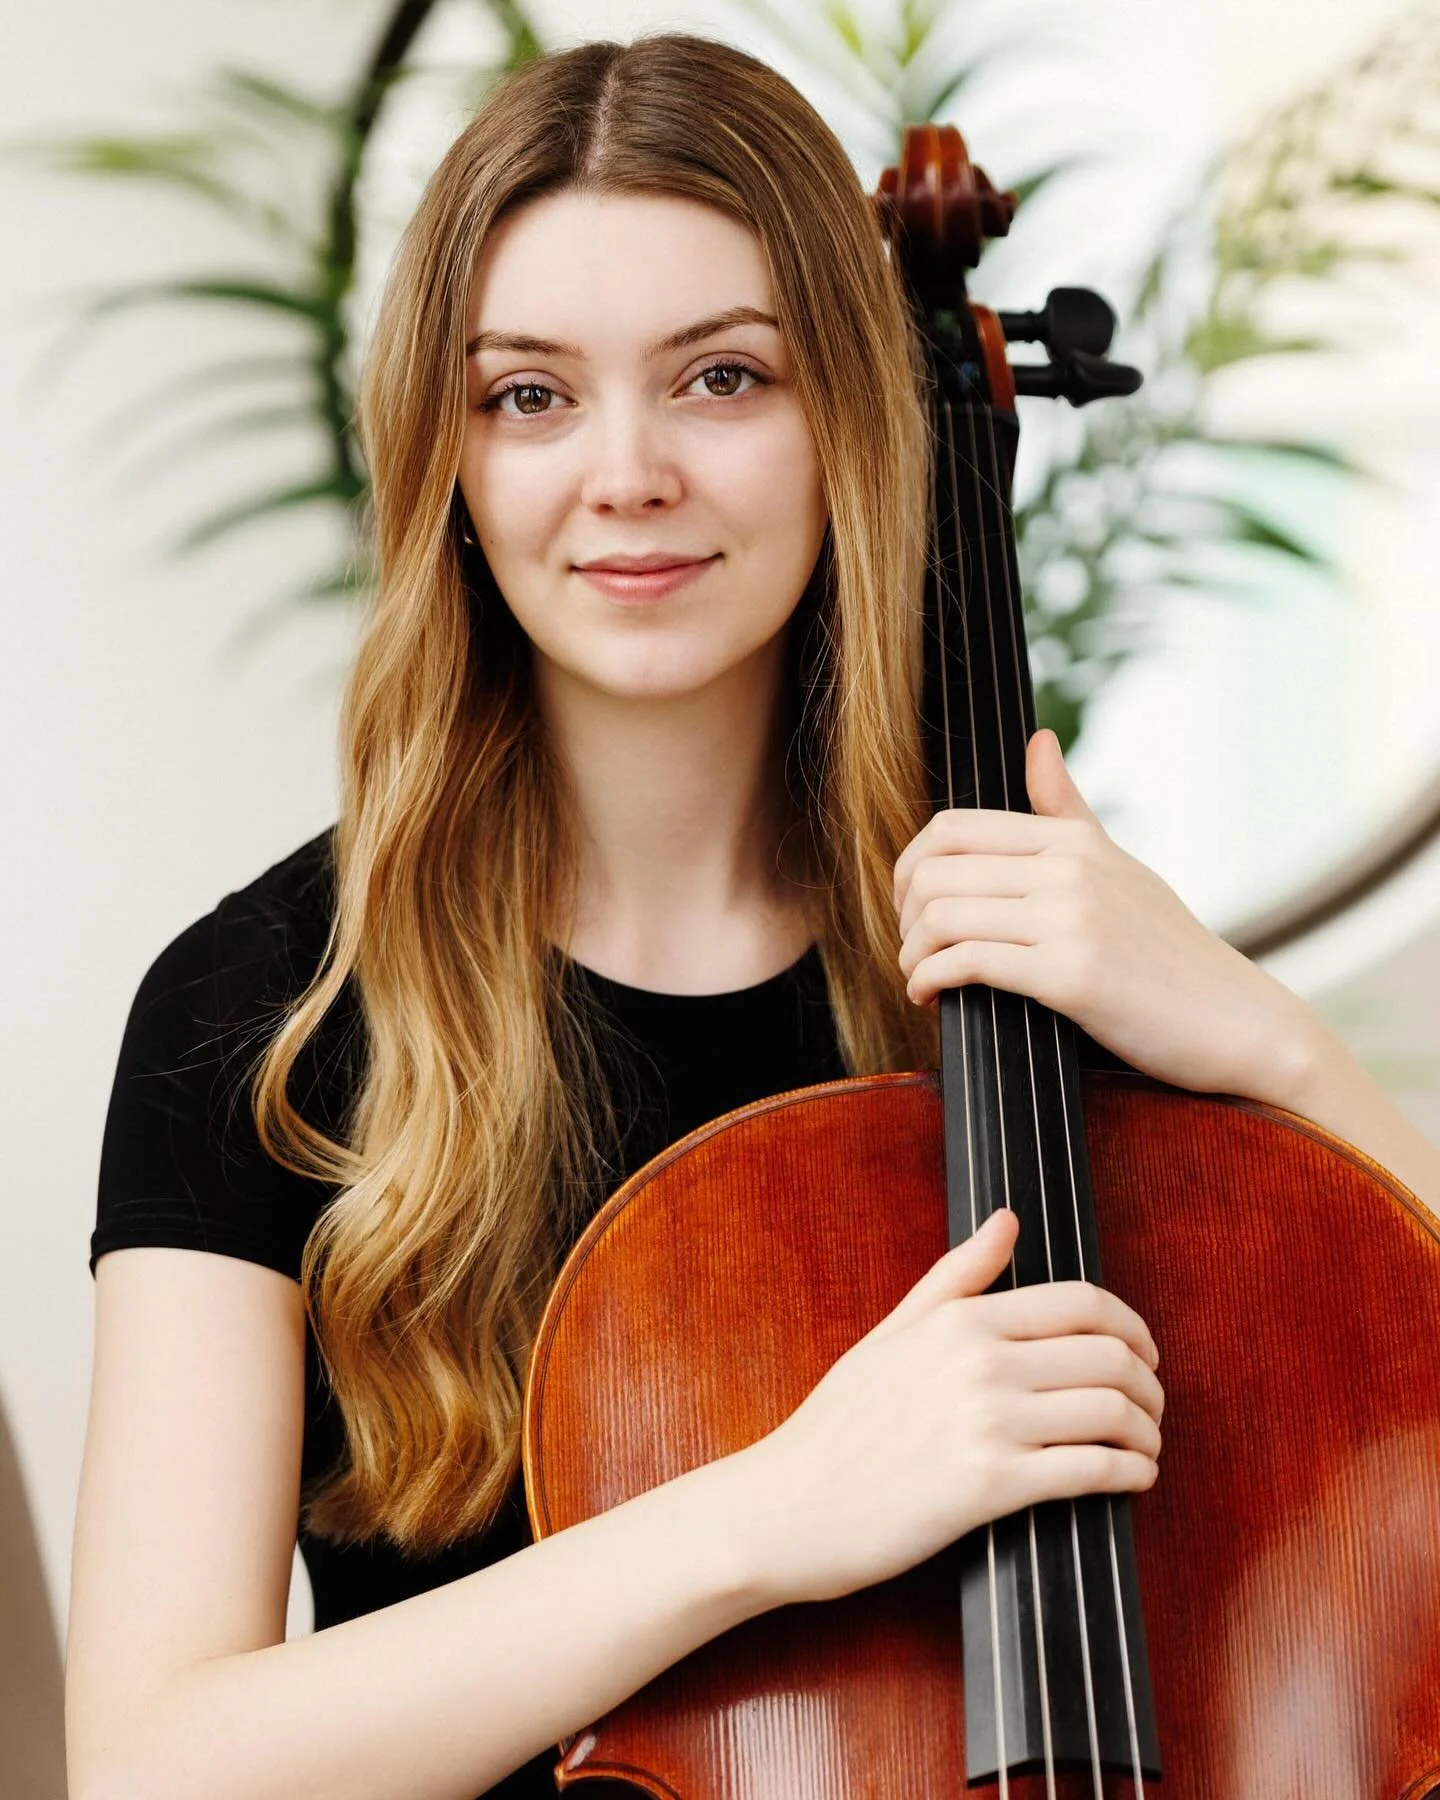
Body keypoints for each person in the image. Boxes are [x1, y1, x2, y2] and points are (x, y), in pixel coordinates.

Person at [64, 32, 1440, 1800]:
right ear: (455, 464)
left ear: (845, 420)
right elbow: (153, 1760)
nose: (626, 472)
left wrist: (1266, 1035)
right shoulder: (262, 1009)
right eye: (531, 396)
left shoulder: (1042, 956)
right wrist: (775, 1509)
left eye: (720, 379)